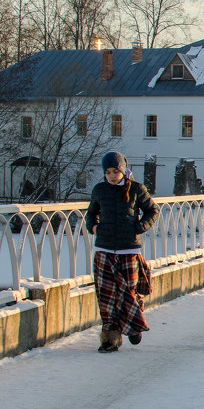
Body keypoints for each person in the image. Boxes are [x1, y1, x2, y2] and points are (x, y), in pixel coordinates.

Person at [85, 151, 158, 353]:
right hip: (104, 248)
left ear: (124, 170)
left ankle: (134, 325)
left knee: (129, 291)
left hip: (128, 249)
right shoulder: (99, 190)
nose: (111, 175)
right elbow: (91, 214)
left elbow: (153, 210)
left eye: (115, 171)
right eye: (108, 172)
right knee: (106, 295)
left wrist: (140, 226)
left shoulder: (136, 189)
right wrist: (93, 228)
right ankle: (110, 339)